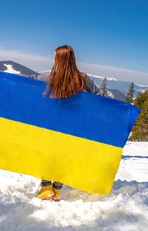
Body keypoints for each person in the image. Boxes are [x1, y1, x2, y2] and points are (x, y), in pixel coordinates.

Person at [31, 45, 103, 201]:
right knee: (64, 156)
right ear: (73, 59)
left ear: (58, 59)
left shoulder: (47, 76)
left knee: (46, 153)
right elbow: (99, 95)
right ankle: (57, 191)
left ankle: (45, 188)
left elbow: (27, 81)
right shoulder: (82, 78)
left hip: (50, 123)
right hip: (72, 126)